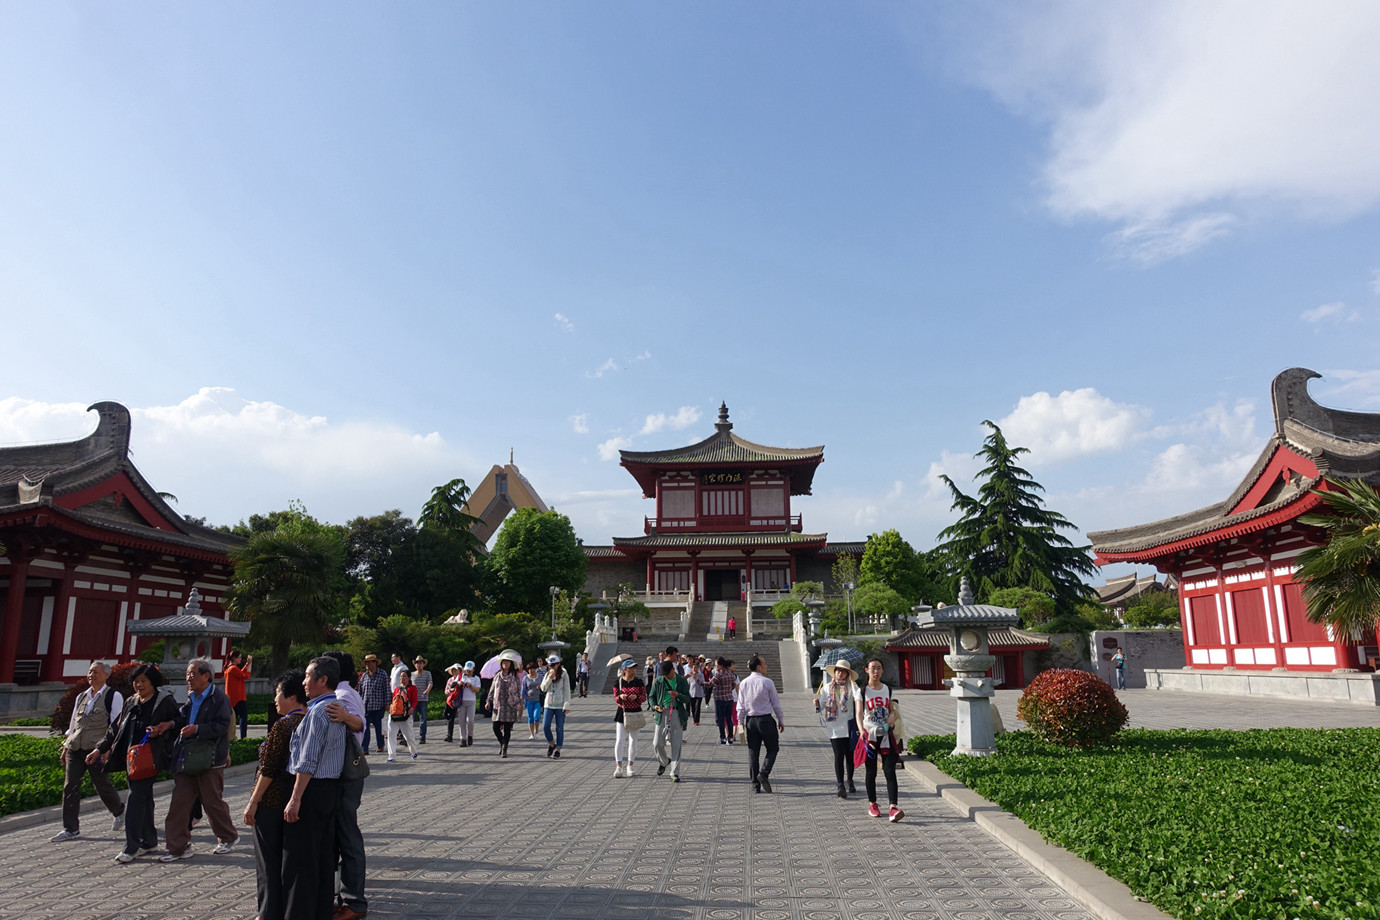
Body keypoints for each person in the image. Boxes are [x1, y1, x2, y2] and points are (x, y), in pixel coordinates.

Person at [283, 656, 348, 920]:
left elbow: (308, 759)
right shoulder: (337, 707)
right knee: (322, 857)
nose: (303, 682)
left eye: (308, 676)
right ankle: (320, 911)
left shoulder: (319, 712)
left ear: (323, 680)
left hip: (312, 789)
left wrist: (295, 797)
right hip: (330, 789)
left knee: (301, 859)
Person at [92, 663, 177, 862]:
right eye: (136, 681)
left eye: (143, 681)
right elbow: (115, 729)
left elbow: (179, 722)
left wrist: (164, 727)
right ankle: (149, 841)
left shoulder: (164, 701)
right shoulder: (132, 701)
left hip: (151, 756)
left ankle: (131, 846)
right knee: (144, 799)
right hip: (132, 757)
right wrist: (99, 749)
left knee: (135, 799)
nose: (139, 685)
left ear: (153, 682)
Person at [157, 657, 238, 860]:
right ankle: (178, 847)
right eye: (187, 674)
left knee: (212, 801)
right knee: (179, 803)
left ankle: (228, 837)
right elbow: (183, 718)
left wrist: (197, 729)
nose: (188, 678)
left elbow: (222, 725)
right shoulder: (192, 697)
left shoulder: (218, 698)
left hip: (209, 759)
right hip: (187, 758)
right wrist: (170, 725)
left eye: (192, 674)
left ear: (206, 676)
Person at [243, 670, 308, 920]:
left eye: (278, 693)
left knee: (267, 863)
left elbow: (268, 769)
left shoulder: (284, 725)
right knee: (285, 862)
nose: (275, 699)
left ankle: (268, 912)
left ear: (292, 696)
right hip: (293, 800)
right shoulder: (311, 720)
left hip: (271, 802)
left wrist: (252, 802)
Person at [51, 660, 126, 842]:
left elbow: (117, 726)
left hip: (96, 749)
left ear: (106, 675)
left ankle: (119, 811)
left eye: (96, 672)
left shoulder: (113, 696)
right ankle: (70, 828)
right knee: (70, 786)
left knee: (101, 785)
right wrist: (65, 746)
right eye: (90, 672)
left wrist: (108, 749)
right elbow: (73, 724)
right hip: (76, 747)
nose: (92, 675)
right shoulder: (81, 697)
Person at [321, 650, 368, 920]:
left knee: (347, 836)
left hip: (343, 776)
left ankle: (354, 902)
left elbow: (359, 724)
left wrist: (345, 717)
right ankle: (342, 898)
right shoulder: (345, 692)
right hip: (341, 775)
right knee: (339, 836)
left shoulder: (342, 695)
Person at [857, 658, 903, 822]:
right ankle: (873, 804)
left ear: (882, 671)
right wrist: (861, 729)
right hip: (869, 735)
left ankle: (893, 807)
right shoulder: (862, 691)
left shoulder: (887, 690)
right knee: (871, 771)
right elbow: (859, 713)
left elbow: (892, 709)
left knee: (890, 770)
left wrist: (891, 717)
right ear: (867, 670)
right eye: (872, 668)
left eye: (878, 668)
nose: (875, 671)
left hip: (885, 733)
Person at [737, 654, 784, 794]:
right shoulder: (767, 682)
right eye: (764, 663)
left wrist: (740, 722)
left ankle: (755, 785)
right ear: (758, 667)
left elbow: (740, 705)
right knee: (773, 748)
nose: (766, 666)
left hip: (750, 721)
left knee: (753, 753)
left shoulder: (744, 683)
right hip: (765, 720)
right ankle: (763, 773)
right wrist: (781, 720)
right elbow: (776, 704)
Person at [817, 662, 860, 798]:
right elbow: (822, 704)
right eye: (838, 671)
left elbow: (859, 697)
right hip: (834, 726)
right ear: (834, 672)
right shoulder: (827, 688)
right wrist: (817, 704)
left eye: (843, 671)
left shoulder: (851, 687)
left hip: (849, 725)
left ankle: (850, 780)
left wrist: (853, 682)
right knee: (838, 756)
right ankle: (840, 784)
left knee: (850, 756)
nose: (840, 673)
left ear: (848, 673)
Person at [649, 660, 689, 782]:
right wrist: (654, 706)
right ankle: (664, 761)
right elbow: (651, 696)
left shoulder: (681, 681)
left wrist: (678, 695)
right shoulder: (659, 681)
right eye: (663, 674)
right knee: (657, 743)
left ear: (673, 669)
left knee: (676, 744)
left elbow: (687, 698)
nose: (665, 676)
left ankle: (674, 772)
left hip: (676, 713)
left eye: (667, 673)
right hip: (661, 713)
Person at [611, 657, 646, 778]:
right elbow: (615, 698)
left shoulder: (639, 682)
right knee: (620, 740)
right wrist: (621, 697)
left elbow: (643, 697)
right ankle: (618, 766)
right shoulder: (618, 682)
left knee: (633, 741)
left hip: (635, 713)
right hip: (622, 713)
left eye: (634, 668)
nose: (633, 670)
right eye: (631, 668)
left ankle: (630, 765)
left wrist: (636, 697)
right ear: (625, 670)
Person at [486, 654, 522, 757]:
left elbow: (518, 691)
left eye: (507, 662)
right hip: (498, 705)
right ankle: (502, 742)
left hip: (510, 705)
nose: (505, 663)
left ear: (511, 664)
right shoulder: (497, 676)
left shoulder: (514, 676)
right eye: (503, 662)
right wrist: (488, 701)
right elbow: (492, 689)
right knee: (495, 727)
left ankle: (505, 748)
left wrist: (519, 703)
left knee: (507, 728)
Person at [540, 655, 571, 758]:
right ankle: (551, 743)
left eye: (553, 665)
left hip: (560, 704)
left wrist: (567, 704)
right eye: (550, 665)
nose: (551, 667)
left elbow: (567, 689)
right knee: (545, 726)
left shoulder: (564, 674)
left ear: (558, 664)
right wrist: (549, 677)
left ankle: (558, 749)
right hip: (548, 704)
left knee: (559, 728)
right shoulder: (547, 674)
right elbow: (543, 688)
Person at [356, 654, 389, 753]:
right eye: (366, 662)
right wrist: (358, 703)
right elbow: (360, 691)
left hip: (379, 706)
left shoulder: (382, 674)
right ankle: (364, 748)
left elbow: (386, 689)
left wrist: (387, 703)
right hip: (366, 707)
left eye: (369, 662)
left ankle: (380, 745)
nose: (367, 664)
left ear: (375, 663)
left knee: (379, 728)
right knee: (365, 729)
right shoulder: (364, 676)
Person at [387, 670, 419, 763]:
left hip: (405, 715)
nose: (402, 678)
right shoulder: (397, 689)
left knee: (408, 736)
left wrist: (412, 708)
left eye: (404, 676)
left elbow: (415, 700)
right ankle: (391, 756)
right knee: (391, 735)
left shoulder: (413, 688)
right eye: (401, 676)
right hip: (394, 715)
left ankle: (413, 751)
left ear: (409, 678)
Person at [225, 648, 253, 740]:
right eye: (239, 657)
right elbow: (245, 676)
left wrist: (247, 665)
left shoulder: (229, 669)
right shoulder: (233, 668)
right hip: (238, 697)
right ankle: (243, 738)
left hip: (232, 698)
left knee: (233, 719)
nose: (241, 659)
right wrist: (250, 665)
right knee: (243, 718)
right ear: (234, 658)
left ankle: (231, 737)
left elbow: (240, 673)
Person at [709, 657, 738, 744]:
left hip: (720, 700)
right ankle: (730, 738)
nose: (715, 667)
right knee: (729, 719)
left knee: (721, 720)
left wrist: (698, 680)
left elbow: (708, 684)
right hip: (729, 699)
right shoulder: (730, 674)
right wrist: (727, 690)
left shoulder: (718, 675)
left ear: (720, 665)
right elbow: (733, 685)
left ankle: (723, 738)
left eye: (716, 665)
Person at [411, 656, 433, 744]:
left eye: (420, 663)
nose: (418, 665)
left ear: (423, 664)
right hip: (413, 700)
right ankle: (409, 737)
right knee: (410, 719)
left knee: (423, 719)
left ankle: (422, 737)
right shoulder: (412, 674)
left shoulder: (427, 673)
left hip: (423, 699)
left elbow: (430, 683)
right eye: (417, 663)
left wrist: (427, 690)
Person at [521, 661, 544, 740]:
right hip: (528, 700)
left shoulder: (540, 677)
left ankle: (537, 731)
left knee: (536, 716)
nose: (532, 670)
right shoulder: (526, 678)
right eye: (530, 669)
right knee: (530, 717)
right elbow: (523, 689)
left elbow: (545, 686)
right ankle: (531, 734)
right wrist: (522, 698)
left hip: (537, 700)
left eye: (533, 669)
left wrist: (541, 687)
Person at [686, 659, 706, 726]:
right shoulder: (690, 675)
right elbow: (688, 684)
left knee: (698, 707)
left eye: (696, 667)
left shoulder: (701, 675)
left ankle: (697, 720)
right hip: (692, 693)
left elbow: (702, 683)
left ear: (698, 668)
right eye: (693, 668)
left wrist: (696, 678)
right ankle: (694, 719)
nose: (695, 669)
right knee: (693, 707)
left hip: (699, 693)